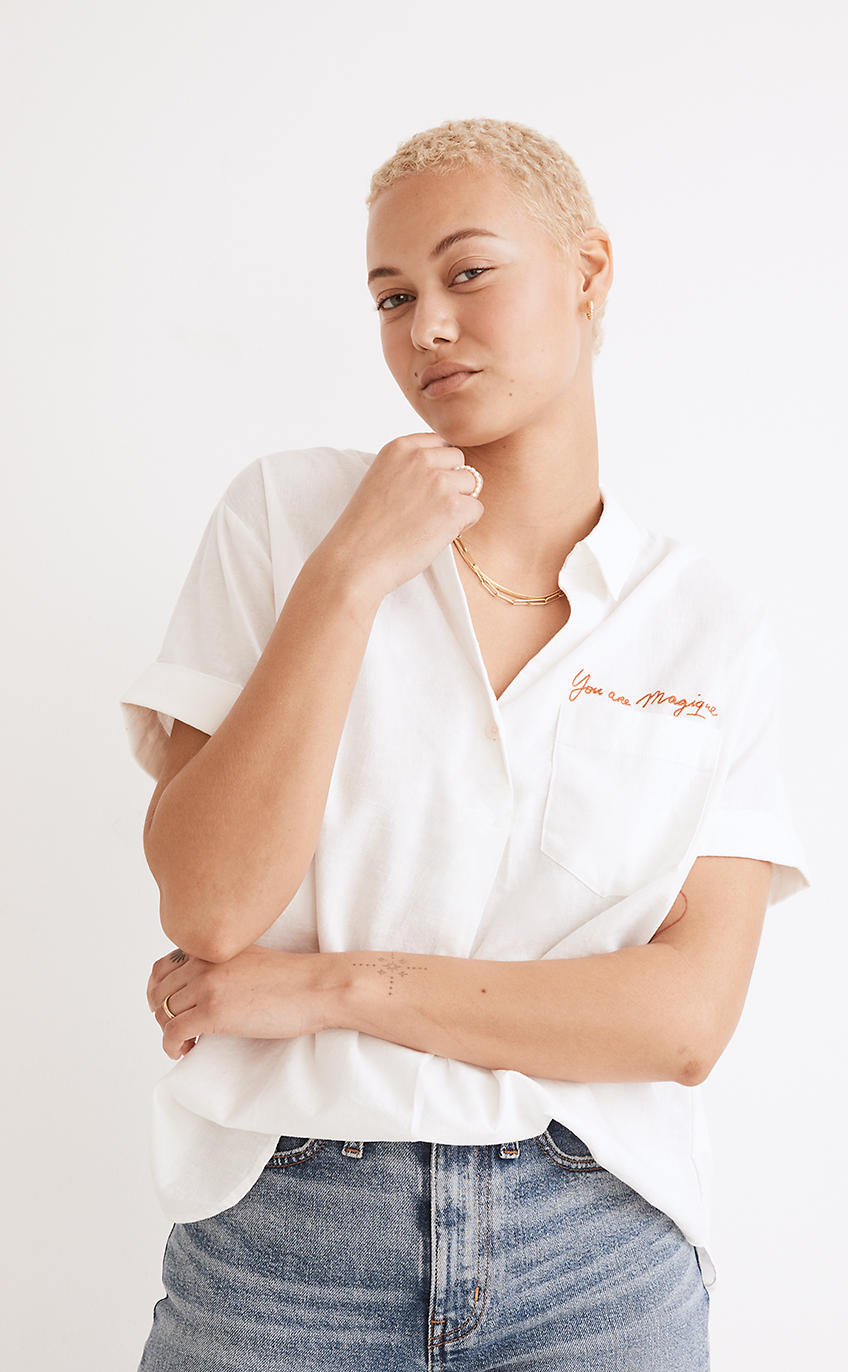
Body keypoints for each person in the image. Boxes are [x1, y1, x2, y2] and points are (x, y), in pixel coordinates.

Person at [121, 116, 812, 1371]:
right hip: (286, 1246)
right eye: (393, 297)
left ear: (589, 271)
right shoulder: (288, 518)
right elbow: (210, 905)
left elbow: (683, 1020)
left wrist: (332, 987)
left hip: (597, 1250)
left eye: (468, 272)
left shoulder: (706, 627)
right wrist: (349, 574)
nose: (426, 326)